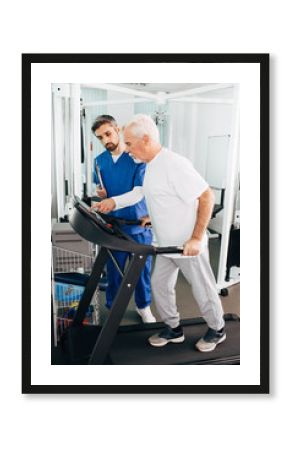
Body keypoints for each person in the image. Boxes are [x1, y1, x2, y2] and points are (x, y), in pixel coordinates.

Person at [93, 114, 226, 352]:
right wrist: (144, 216)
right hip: (165, 244)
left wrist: (196, 238)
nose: (128, 149)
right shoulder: (148, 165)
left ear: (145, 140)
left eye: (130, 144)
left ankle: (218, 329)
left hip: (186, 245)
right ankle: (172, 328)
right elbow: (151, 196)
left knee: (203, 289)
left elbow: (206, 196)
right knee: (159, 286)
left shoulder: (174, 164)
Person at [91, 114, 155, 323]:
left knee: (141, 271)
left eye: (108, 134)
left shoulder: (136, 157)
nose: (105, 140)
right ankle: (113, 308)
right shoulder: (99, 161)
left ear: (117, 129)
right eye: (100, 137)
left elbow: (139, 191)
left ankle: (143, 306)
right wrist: (100, 193)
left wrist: (113, 201)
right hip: (114, 225)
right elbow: (98, 187)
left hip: (138, 226)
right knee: (114, 272)